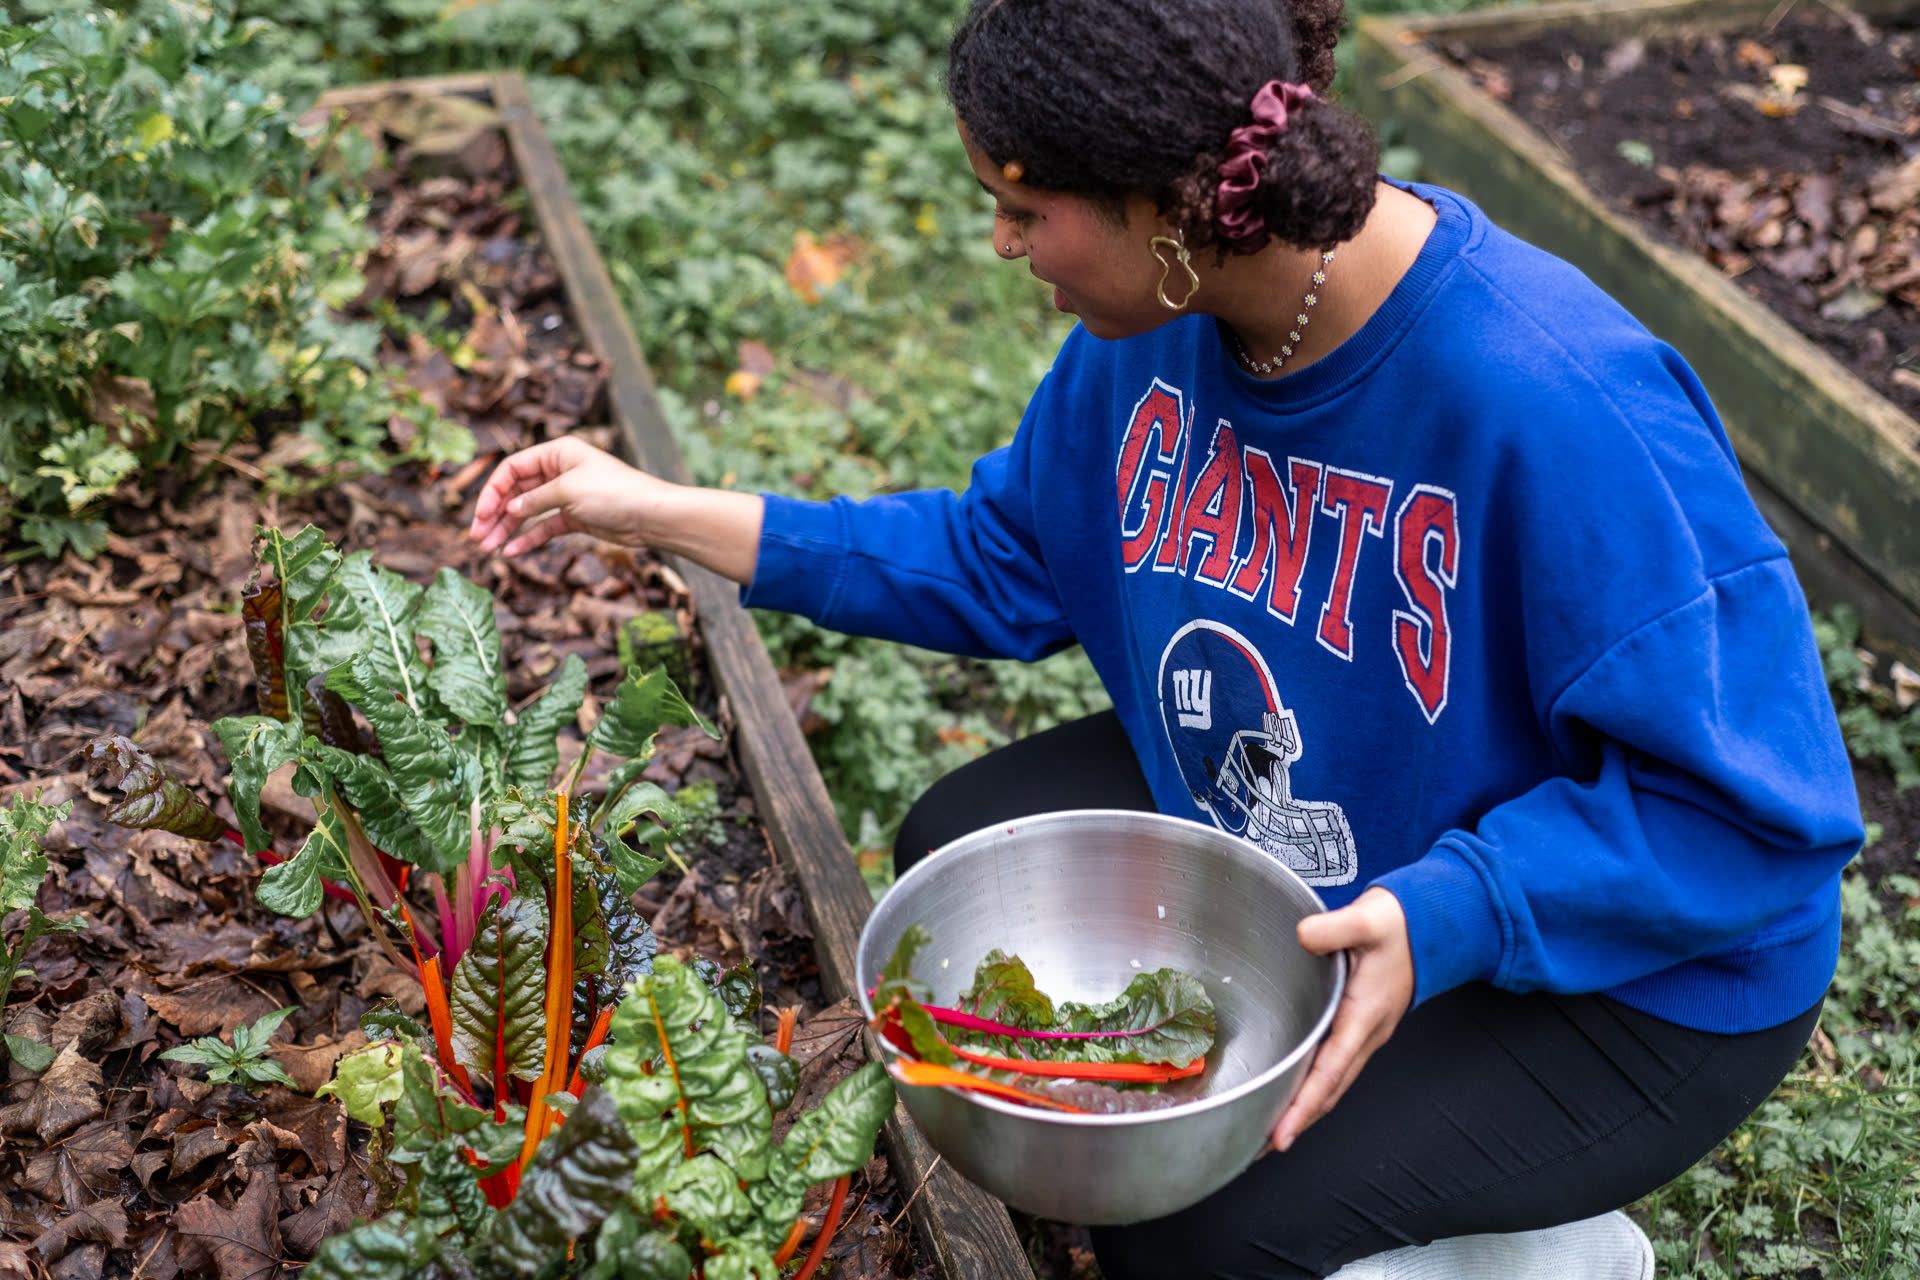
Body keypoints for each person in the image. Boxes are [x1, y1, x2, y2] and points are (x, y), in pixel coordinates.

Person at [467, 0, 1865, 1274]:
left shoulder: (1553, 404)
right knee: (961, 848)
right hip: (1351, 834)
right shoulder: (1159, 325)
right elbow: (996, 558)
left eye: (1024, 206)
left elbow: (1755, 823)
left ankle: (1540, 1254)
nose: (1002, 245)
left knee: (1196, 1245)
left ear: (1179, 207)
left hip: (1643, 976)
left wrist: (1449, 914)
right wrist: (659, 509)